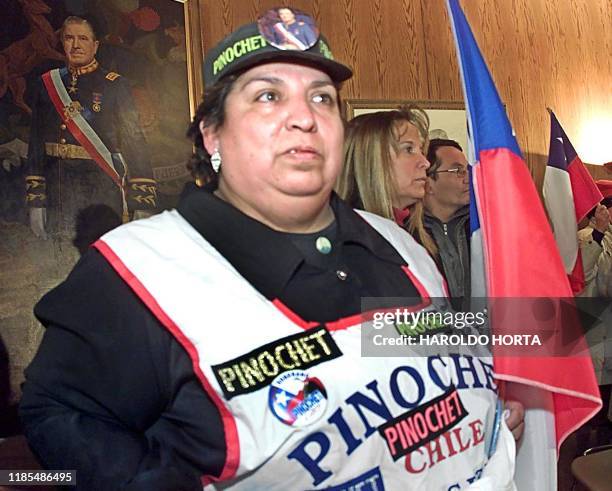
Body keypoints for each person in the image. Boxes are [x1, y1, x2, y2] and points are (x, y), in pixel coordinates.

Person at [20, 10, 517, 490]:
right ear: (212, 134)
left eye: (322, 98)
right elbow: (58, 415)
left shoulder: (396, 242)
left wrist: (484, 406)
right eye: (267, 96)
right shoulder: (139, 269)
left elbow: (416, 349)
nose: (303, 117)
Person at [25, 16, 158, 240]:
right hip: (58, 189)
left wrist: (142, 202)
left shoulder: (115, 85)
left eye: (83, 38)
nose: (75, 45)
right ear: (62, 43)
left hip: (101, 187)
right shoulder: (46, 84)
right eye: (69, 38)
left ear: (95, 46)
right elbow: (36, 145)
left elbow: (134, 142)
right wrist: (36, 203)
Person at [337, 106, 437, 256]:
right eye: (408, 150)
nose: (425, 163)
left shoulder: (419, 236)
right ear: (371, 160)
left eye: (421, 151)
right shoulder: (349, 242)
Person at [424, 138, 471, 308]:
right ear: (428, 183)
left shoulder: (482, 228)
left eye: (468, 170)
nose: (468, 179)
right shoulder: (406, 232)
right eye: (457, 171)